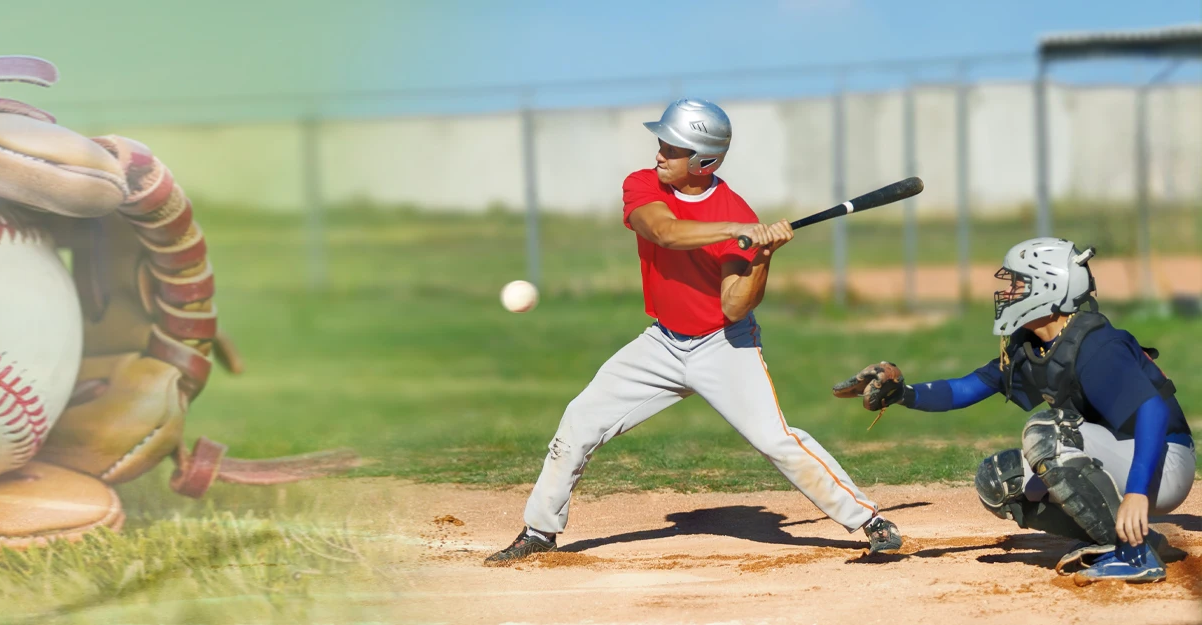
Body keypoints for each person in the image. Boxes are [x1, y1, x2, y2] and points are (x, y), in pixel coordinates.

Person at [485, 98, 903, 564]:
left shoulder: (734, 209)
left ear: (705, 162)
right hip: (662, 342)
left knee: (775, 439)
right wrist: (734, 230)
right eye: (662, 143)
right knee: (579, 421)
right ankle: (539, 531)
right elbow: (663, 231)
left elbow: (734, 305)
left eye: (673, 148)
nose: (660, 153)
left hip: (723, 345)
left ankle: (869, 520)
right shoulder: (645, 184)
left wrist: (762, 255)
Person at [832, 237, 1195, 585]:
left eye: (1018, 284)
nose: (1007, 293)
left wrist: (1136, 492)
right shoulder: (1034, 346)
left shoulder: (1096, 345)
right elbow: (966, 388)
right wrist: (902, 394)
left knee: (1046, 433)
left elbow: (1152, 412)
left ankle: (1135, 554)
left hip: (1161, 462)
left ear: (1049, 287)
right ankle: (1125, 536)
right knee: (1000, 480)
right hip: (1119, 456)